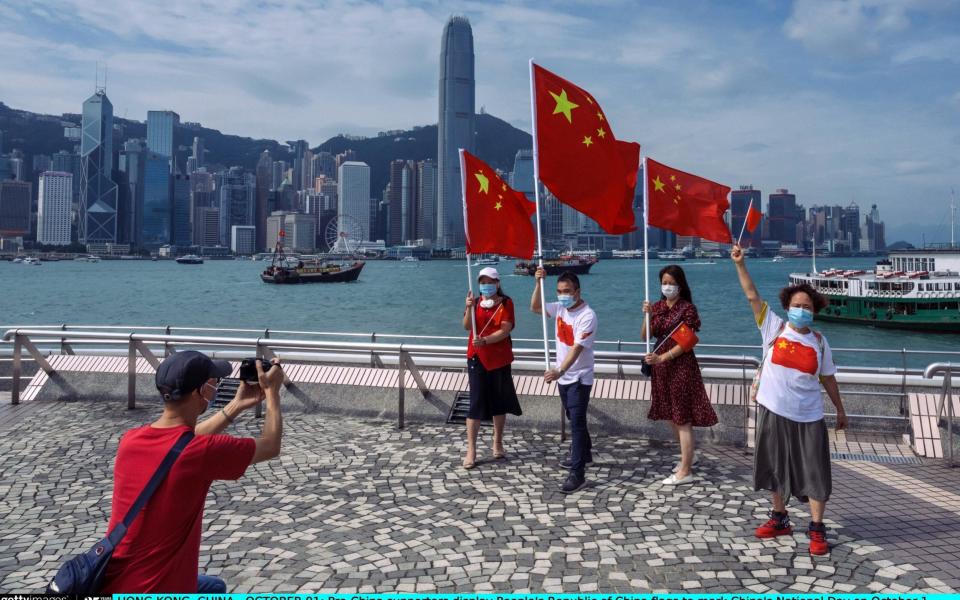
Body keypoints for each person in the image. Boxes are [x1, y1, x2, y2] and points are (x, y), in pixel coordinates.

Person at [100, 351, 285, 592]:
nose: (216, 385)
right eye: (213, 381)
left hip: (117, 581)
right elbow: (270, 445)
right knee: (214, 588)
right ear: (200, 392)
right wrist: (272, 392)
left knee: (212, 586)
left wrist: (236, 405)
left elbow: (181, 445)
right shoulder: (202, 452)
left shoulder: (130, 440)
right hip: (160, 587)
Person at [731, 244, 848, 556]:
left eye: (807, 306)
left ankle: (817, 528)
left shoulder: (820, 342)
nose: (802, 309)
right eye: (797, 304)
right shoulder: (774, 327)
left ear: (814, 310)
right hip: (773, 410)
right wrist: (741, 265)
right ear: (787, 305)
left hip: (808, 415)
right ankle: (780, 518)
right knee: (773, 466)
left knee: (815, 471)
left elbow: (828, 378)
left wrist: (839, 407)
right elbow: (752, 296)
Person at [641, 265, 717, 485]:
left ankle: (685, 470)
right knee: (670, 416)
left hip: (680, 367)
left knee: (682, 418)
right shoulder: (657, 307)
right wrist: (646, 315)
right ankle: (687, 458)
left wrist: (663, 358)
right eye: (664, 282)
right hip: (660, 369)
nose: (667, 287)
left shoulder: (687, 309)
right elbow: (645, 335)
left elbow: (688, 341)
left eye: (672, 283)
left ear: (680, 285)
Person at [531, 268, 597, 494]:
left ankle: (578, 474)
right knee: (572, 415)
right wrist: (538, 284)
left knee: (576, 423)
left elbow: (577, 348)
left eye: (567, 291)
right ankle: (585, 453)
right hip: (563, 377)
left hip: (579, 376)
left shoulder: (588, 315)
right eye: (559, 291)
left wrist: (559, 370)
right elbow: (536, 307)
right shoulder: (559, 308)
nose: (562, 295)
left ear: (577, 291)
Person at [461, 266, 522, 469]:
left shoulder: (506, 303)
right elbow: (467, 326)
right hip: (476, 357)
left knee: (498, 402)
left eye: (490, 282)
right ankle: (471, 449)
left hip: (499, 358)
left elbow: (505, 330)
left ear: (498, 283)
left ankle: (497, 442)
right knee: (476, 403)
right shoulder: (475, 302)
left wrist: (486, 340)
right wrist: (468, 307)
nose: (486, 286)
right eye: (483, 282)